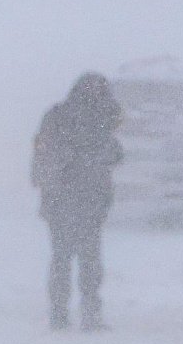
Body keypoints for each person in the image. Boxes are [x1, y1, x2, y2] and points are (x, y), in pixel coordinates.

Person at [32, 72, 124, 330]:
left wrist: (45, 185)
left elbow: (41, 154)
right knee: (89, 257)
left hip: (58, 200)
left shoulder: (56, 116)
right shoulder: (99, 122)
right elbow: (114, 154)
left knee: (61, 256)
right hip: (89, 201)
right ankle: (90, 314)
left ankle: (59, 314)